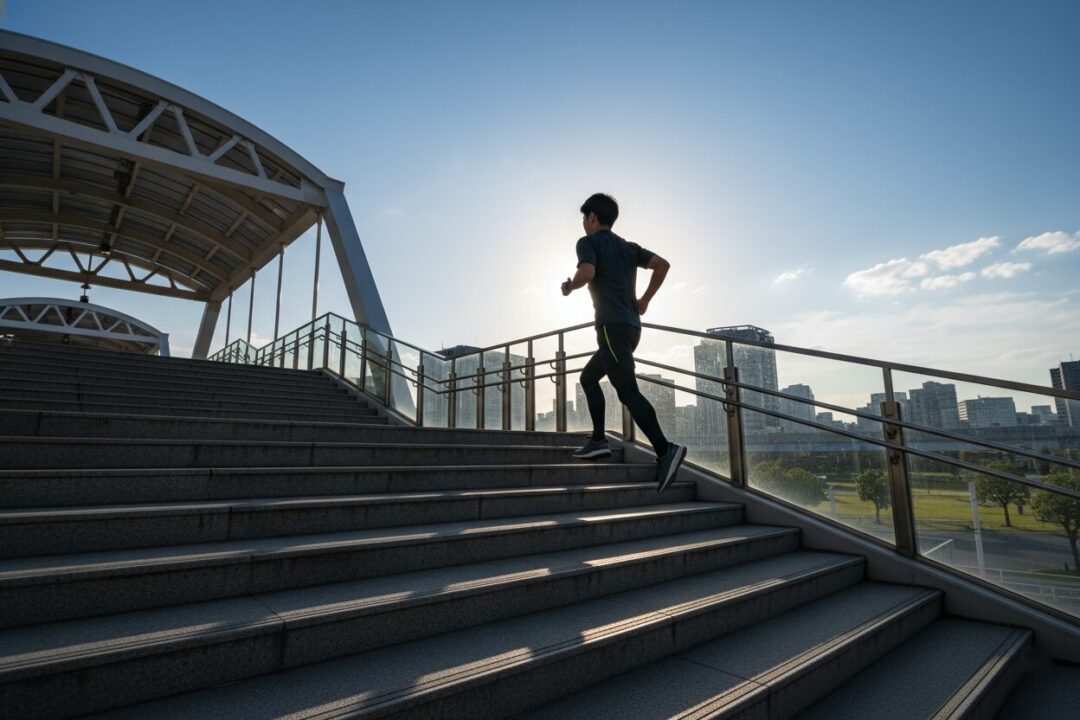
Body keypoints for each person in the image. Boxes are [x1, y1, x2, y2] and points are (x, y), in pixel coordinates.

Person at [561, 192, 687, 492]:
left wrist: (570, 286)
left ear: (592, 217)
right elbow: (663, 265)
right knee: (589, 377)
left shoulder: (588, 242)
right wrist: (643, 301)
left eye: (584, 218)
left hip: (611, 326)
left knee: (627, 391)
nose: (583, 224)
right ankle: (599, 440)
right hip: (631, 328)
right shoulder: (629, 248)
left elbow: (587, 272)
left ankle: (665, 449)